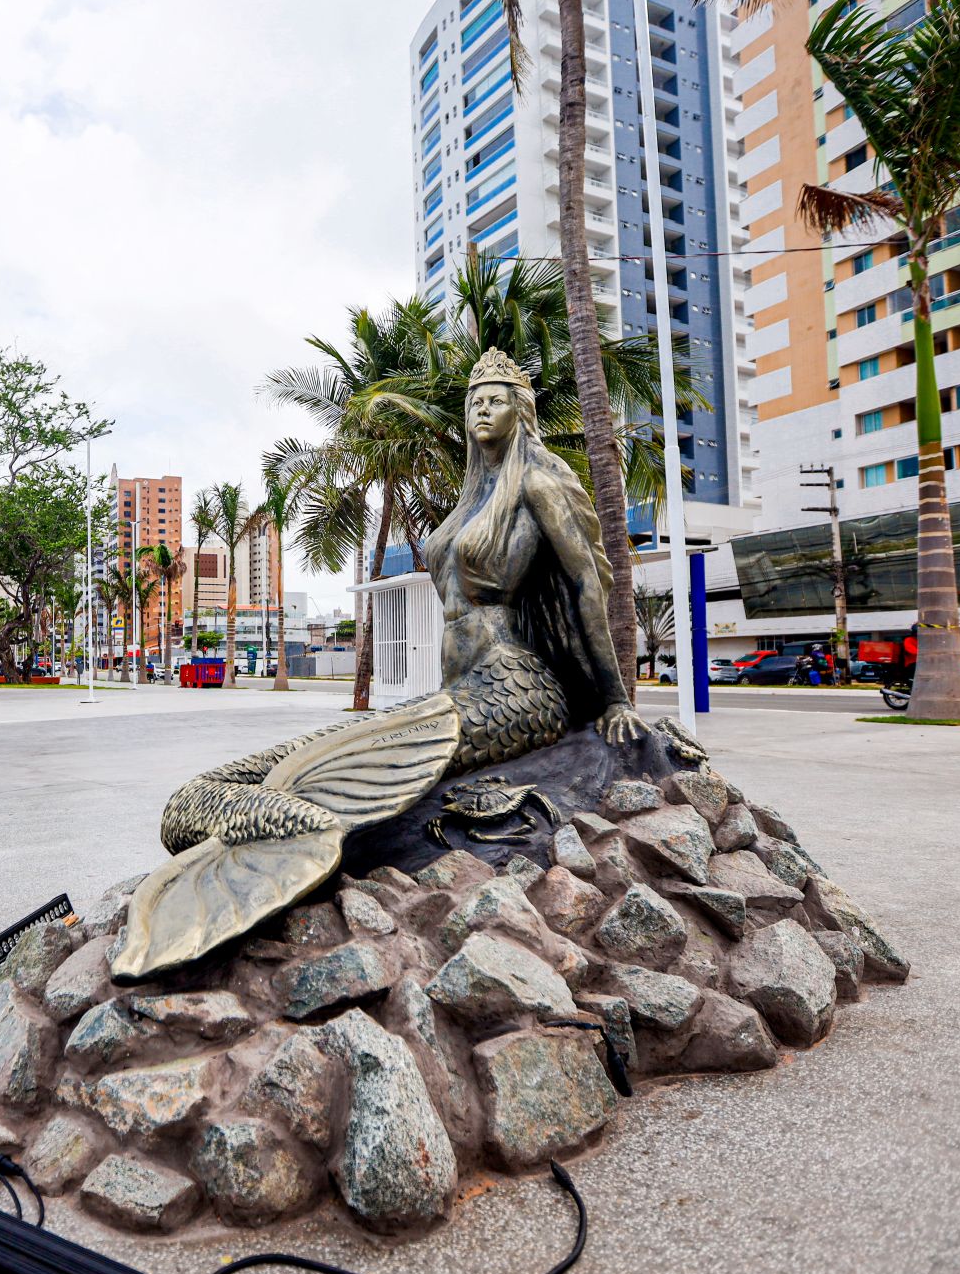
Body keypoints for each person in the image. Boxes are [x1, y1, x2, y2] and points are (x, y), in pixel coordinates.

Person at [112, 348, 648, 980]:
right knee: (237, 781)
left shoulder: (538, 483)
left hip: (513, 690)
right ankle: (276, 826)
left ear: (521, 410)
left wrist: (614, 698)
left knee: (337, 769)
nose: (482, 409)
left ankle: (307, 839)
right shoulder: (476, 496)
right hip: (462, 689)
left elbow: (587, 584)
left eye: (496, 399)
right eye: (474, 400)